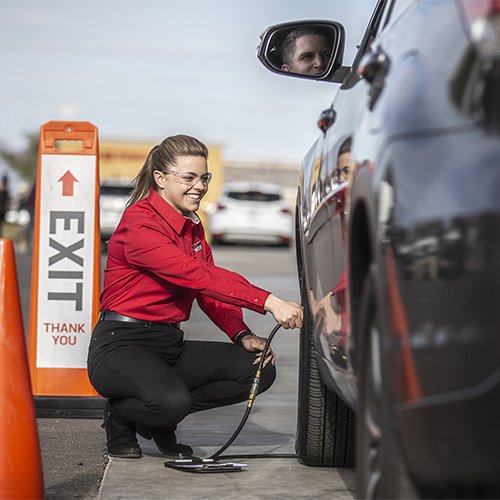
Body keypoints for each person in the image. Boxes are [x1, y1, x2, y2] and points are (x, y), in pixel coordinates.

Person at [87, 134, 303, 459]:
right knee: (171, 403)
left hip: (168, 344)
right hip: (121, 345)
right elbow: (195, 275)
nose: (199, 186)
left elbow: (209, 293)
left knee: (258, 369)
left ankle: (159, 414)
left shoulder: (191, 227)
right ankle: (123, 416)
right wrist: (269, 301)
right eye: (189, 178)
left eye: (204, 178)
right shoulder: (140, 224)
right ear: (160, 178)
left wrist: (241, 334)